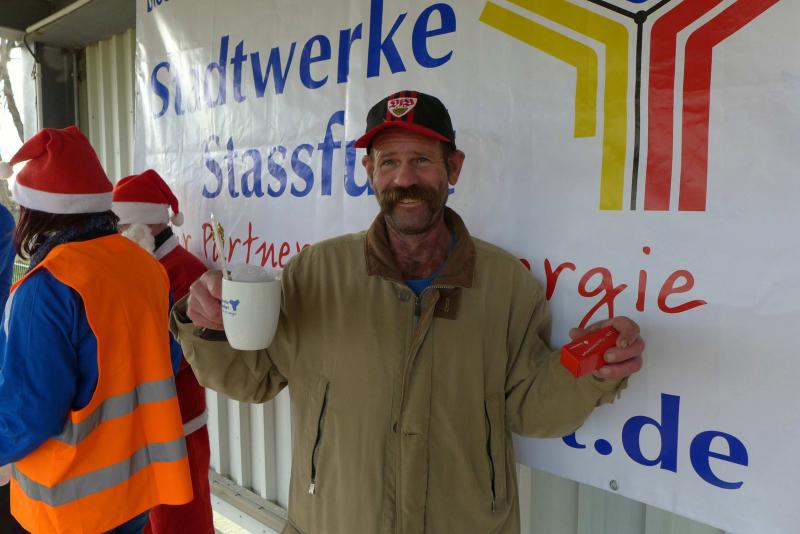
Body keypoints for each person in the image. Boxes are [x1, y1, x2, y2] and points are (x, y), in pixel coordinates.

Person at [172, 91, 645, 534]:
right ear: (369, 170)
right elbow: (251, 379)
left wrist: (592, 370)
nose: (404, 180)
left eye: (421, 160)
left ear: (453, 168)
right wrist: (206, 323)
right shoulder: (315, 273)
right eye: (389, 162)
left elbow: (529, 407)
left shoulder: (507, 286)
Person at [0, 126, 193, 534]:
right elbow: (168, 358)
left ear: (36, 211)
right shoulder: (145, 267)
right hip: (134, 492)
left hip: (69, 506)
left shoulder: (46, 288)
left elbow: (31, 413)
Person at [112, 169, 214, 534]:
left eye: (123, 226)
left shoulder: (187, 272)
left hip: (180, 422)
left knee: (182, 518)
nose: (118, 235)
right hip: (143, 423)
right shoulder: (138, 266)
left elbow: (184, 353)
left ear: (149, 223)